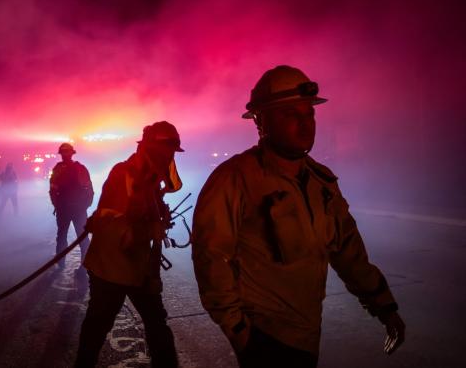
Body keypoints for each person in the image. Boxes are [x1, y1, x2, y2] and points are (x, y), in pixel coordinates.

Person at [192, 65, 405, 368]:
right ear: (261, 122)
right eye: (290, 115)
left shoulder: (322, 183)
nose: (305, 125)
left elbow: (349, 252)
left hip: (306, 335)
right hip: (264, 337)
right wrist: (239, 331)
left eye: (309, 115)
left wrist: (384, 307)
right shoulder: (235, 179)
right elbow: (211, 257)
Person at [75, 121, 184, 368]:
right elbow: (108, 220)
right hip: (110, 268)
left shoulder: (150, 177)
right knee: (97, 325)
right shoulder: (123, 173)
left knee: (157, 324)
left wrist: (158, 216)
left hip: (138, 268)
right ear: (150, 148)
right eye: (165, 150)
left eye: (171, 152)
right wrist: (149, 228)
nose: (169, 156)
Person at [49, 143, 94, 268]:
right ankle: (65, 264)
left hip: (74, 209)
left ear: (71, 153)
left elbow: (89, 189)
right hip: (68, 209)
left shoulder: (78, 168)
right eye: (63, 153)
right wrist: (57, 205)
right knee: (66, 237)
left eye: (66, 153)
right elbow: (53, 189)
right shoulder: (61, 169)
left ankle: (82, 265)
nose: (65, 155)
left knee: (78, 237)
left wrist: (85, 205)